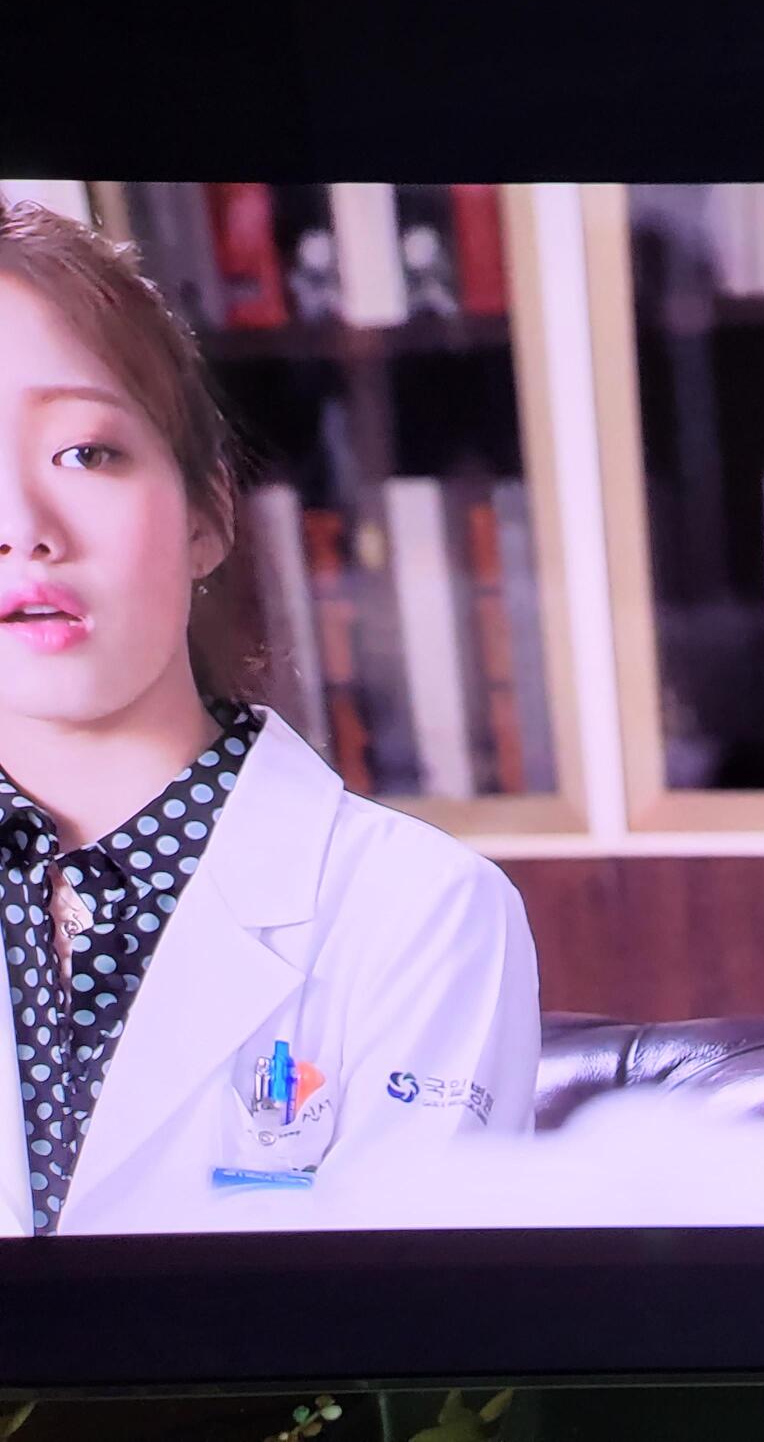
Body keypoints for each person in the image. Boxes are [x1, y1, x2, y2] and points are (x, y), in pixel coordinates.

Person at [0, 201, 541, 1236]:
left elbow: (404, 1321)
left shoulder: (420, 915)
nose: (22, 530)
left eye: (84, 453)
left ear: (207, 515)